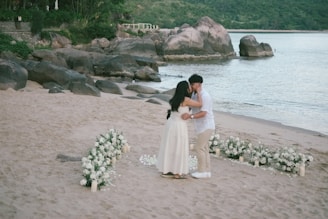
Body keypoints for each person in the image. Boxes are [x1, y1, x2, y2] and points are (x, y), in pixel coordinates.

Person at [156, 80, 202, 179]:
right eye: (189, 87)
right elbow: (200, 104)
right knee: (178, 148)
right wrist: (198, 91)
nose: (190, 88)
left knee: (170, 147)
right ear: (185, 89)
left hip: (171, 124)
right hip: (179, 126)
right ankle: (177, 172)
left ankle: (167, 169)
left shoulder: (175, 99)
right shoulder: (186, 100)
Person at [182, 74, 215, 179]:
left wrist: (190, 116)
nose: (191, 86)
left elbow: (203, 113)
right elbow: (191, 105)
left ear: (199, 84)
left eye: (193, 84)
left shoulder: (205, 96)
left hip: (206, 125)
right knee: (204, 148)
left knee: (199, 148)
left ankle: (201, 171)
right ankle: (206, 171)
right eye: (190, 84)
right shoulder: (195, 95)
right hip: (200, 126)